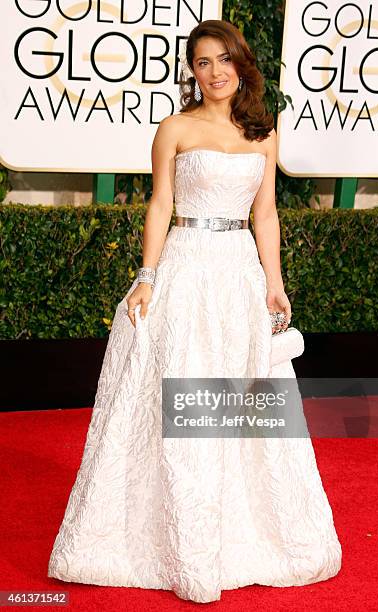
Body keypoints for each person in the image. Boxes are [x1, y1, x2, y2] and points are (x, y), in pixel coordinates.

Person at [47, 19, 342, 603]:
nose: (214, 72)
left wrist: (274, 285)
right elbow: (160, 204)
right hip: (185, 267)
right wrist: (147, 277)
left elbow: (265, 217)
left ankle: (240, 530)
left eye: (224, 59)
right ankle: (171, 531)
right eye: (203, 62)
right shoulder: (174, 128)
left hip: (238, 275)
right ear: (193, 70)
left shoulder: (263, 134)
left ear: (241, 64)